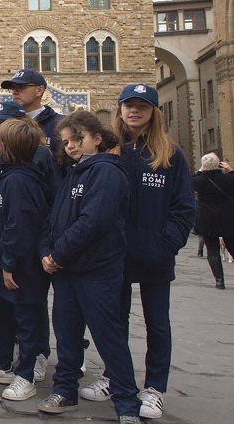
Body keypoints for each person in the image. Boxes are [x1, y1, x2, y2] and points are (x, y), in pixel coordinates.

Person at [80, 85, 195, 421]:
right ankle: (115, 377)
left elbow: (184, 208)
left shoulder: (169, 153)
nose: (134, 111)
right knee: (113, 322)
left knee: (157, 323)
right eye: (128, 105)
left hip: (154, 255)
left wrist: (166, 243)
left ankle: (155, 387)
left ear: (153, 111)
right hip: (114, 255)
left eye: (141, 106)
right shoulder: (109, 151)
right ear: (119, 109)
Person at [37, 110, 142, 424]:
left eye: (78, 138)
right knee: (67, 333)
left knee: (109, 337)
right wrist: (46, 249)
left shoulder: (107, 172)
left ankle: (127, 405)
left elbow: (93, 221)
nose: (71, 146)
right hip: (67, 270)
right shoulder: (73, 173)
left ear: (97, 138)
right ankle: (65, 389)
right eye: (67, 141)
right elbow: (54, 219)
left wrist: (58, 254)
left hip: (97, 269)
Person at [0, 119, 49, 401]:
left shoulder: (18, 181)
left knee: (26, 318)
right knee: (8, 312)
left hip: (22, 265)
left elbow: (18, 226)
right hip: (10, 256)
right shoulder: (11, 175)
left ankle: (26, 375)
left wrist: (8, 262)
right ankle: (4, 364)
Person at [192, 152, 234, 289]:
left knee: (212, 250)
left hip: (207, 218)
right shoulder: (228, 179)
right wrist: (230, 170)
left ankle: (219, 281)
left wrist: (199, 171)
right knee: (231, 246)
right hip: (227, 217)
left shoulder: (199, 180)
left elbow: (188, 182)